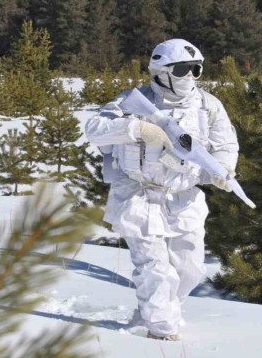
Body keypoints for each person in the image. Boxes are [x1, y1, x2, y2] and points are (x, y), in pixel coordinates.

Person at [85, 38, 239, 341]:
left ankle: (154, 313)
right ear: (161, 71)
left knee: (190, 269)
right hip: (139, 195)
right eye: (183, 69)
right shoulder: (132, 101)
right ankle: (161, 333)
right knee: (155, 270)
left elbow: (225, 144)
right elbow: (94, 129)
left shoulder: (208, 106)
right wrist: (137, 128)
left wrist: (223, 169)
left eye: (196, 69)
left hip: (184, 198)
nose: (191, 76)